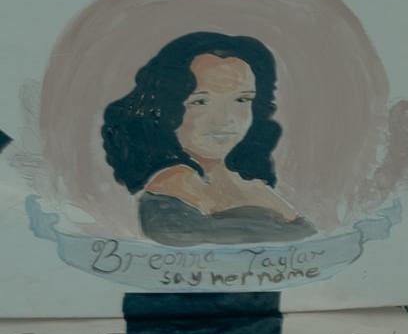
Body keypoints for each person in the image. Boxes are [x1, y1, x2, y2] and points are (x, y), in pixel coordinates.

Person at [100, 31, 312, 245]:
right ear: (165, 108)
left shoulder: (252, 184)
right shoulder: (170, 192)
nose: (225, 119)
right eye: (201, 102)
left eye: (241, 99)